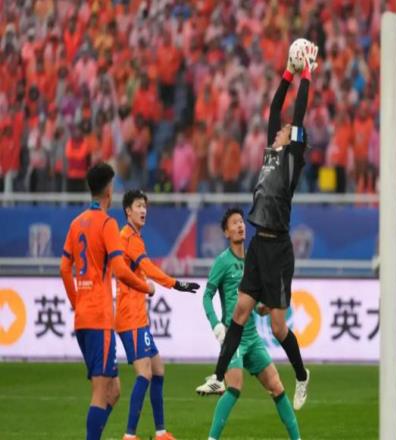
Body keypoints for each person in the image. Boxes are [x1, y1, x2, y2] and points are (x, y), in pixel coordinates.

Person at [206, 43, 318, 410]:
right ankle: (218, 375)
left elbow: (297, 115)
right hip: (258, 244)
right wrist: (287, 73)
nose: (282, 128)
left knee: (279, 328)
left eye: (287, 130)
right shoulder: (272, 153)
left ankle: (301, 375)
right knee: (239, 312)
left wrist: (305, 75)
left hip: (278, 250)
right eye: (282, 129)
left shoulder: (292, 159)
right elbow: (274, 109)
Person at [60, 163, 155, 440]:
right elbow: (120, 270)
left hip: (83, 318)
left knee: (114, 390)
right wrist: (146, 287)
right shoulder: (107, 223)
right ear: (109, 190)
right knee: (101, 393)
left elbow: (64, 269)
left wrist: (76, 302)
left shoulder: (76, 223)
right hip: (99, 319)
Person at [196, 208, 302, 440]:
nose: (240, 226)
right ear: (226, 232)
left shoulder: (253, 261)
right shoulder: (222, 262)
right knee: (235, 386)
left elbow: (255, 304)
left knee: (277, 387)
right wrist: (216, 325)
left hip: (252, 337)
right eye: (234, 223)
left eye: (242, 222)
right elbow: (207, 296)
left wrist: (264, 307)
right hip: (233, 338)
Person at [116, 189, 200, 440]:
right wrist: (176, 284)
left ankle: (160, 432)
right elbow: (148, 268)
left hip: (137, 317)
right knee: (145, 374)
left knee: (158, 370)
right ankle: (129, 435)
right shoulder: (129, 237)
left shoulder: (131, 236)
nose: (143, 210)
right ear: (128, 211)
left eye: (145, 206)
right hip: (130, 317)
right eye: (138, 206)